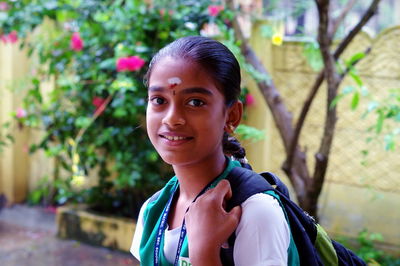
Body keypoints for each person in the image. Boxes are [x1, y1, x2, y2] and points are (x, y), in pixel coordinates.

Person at [130, 36, 292, 266]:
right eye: (158, 100)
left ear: (232, 116)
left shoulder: (256, 212)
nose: (172, 119)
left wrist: (204, 250)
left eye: (195, 102)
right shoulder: (153, 210)